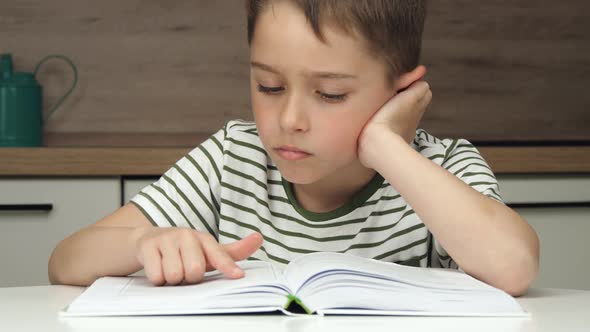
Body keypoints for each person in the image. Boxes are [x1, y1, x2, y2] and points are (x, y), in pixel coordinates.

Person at [48, 0, 539, 296]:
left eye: (330, 94)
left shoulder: (441, 168)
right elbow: (66, 261)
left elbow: (513, 267)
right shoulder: (232, 158)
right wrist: (139, 243)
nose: (289, 121)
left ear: (400, 92)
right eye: (269, 86)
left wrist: (385, 147)